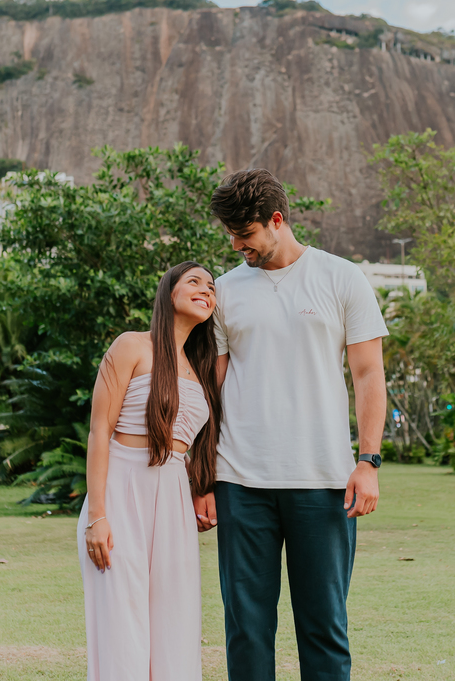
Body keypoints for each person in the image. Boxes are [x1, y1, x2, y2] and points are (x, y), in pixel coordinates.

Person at [195, 168, 389, 681]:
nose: (237, 245)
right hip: (240, 482)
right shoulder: (226, 291)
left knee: (324, 628)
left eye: (245, 234)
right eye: (231, 236)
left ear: (276, 220)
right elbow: (211, 391)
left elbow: (369, 374)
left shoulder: (341, 278)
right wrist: (204, 477)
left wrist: (367, 462)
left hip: (323, 481)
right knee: (246, 630)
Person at [78, 261, 223, 681]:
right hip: (121, 493)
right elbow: (99, 431)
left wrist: (202, 489)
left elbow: (198, 446)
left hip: (174, 497)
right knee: (123, 628)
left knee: (174, 624)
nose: (205, 290)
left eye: (211, 287)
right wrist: (97, 516)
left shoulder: (201, 370)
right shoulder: (131, 346)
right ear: (169, 293)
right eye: (194, 281)